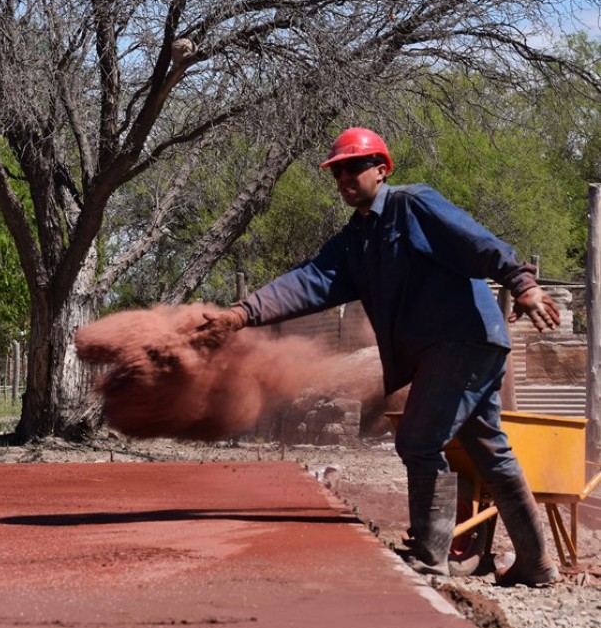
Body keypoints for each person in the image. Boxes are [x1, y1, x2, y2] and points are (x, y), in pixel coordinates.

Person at [198, 127, 561, 586]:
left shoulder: (413, 205)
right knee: (489, 449)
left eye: (354, 167)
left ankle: (431, 558)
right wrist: (242, 313)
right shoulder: (356, 240)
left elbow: (475, 239)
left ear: (382, 169)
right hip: (460, 346)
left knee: (418, 439)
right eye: (337, 171)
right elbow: (309, 280)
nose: (345, 177)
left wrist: (521, 282)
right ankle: (536, 562)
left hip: (461, 339)